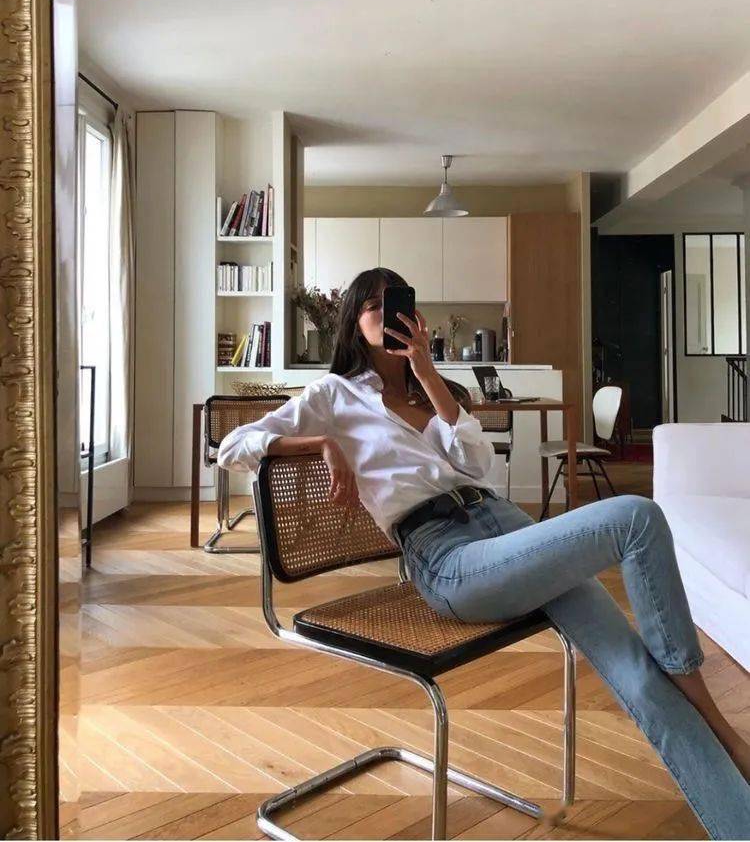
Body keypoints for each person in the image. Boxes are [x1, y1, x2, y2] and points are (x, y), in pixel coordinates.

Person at [219, 267, 750, 840]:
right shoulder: (334, 396)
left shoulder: (434, 392)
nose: (386, 313)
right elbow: (231, 446)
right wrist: (322, 443)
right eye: (372, 305)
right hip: (448, 561)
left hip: (504, 526)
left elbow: (479, 466)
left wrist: (428, 372)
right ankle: (714, 716)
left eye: (397, 302)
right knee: (637, 518)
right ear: (353, 322)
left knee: (636, 674)